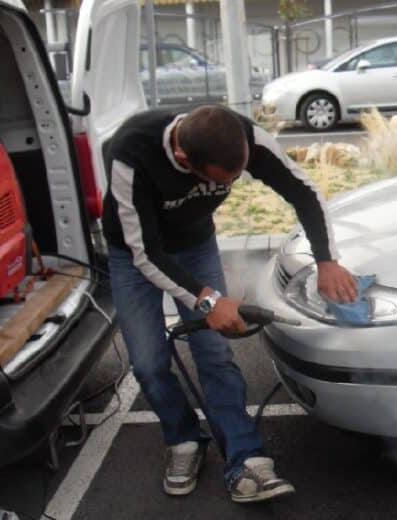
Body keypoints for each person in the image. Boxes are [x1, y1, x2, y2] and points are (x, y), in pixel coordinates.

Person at [101, 105, 357, 503]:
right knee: (149, 363)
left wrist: (326, 259)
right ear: (185, 160)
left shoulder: (243, 136)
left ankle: (246, 459)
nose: (234, 183)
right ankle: (184, 441)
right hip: (134, 255)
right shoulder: (132, 151)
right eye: (224, 180)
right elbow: (145, 253)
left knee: (214, 352)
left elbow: (303, 191)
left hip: (194, 244)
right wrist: (207, 301)